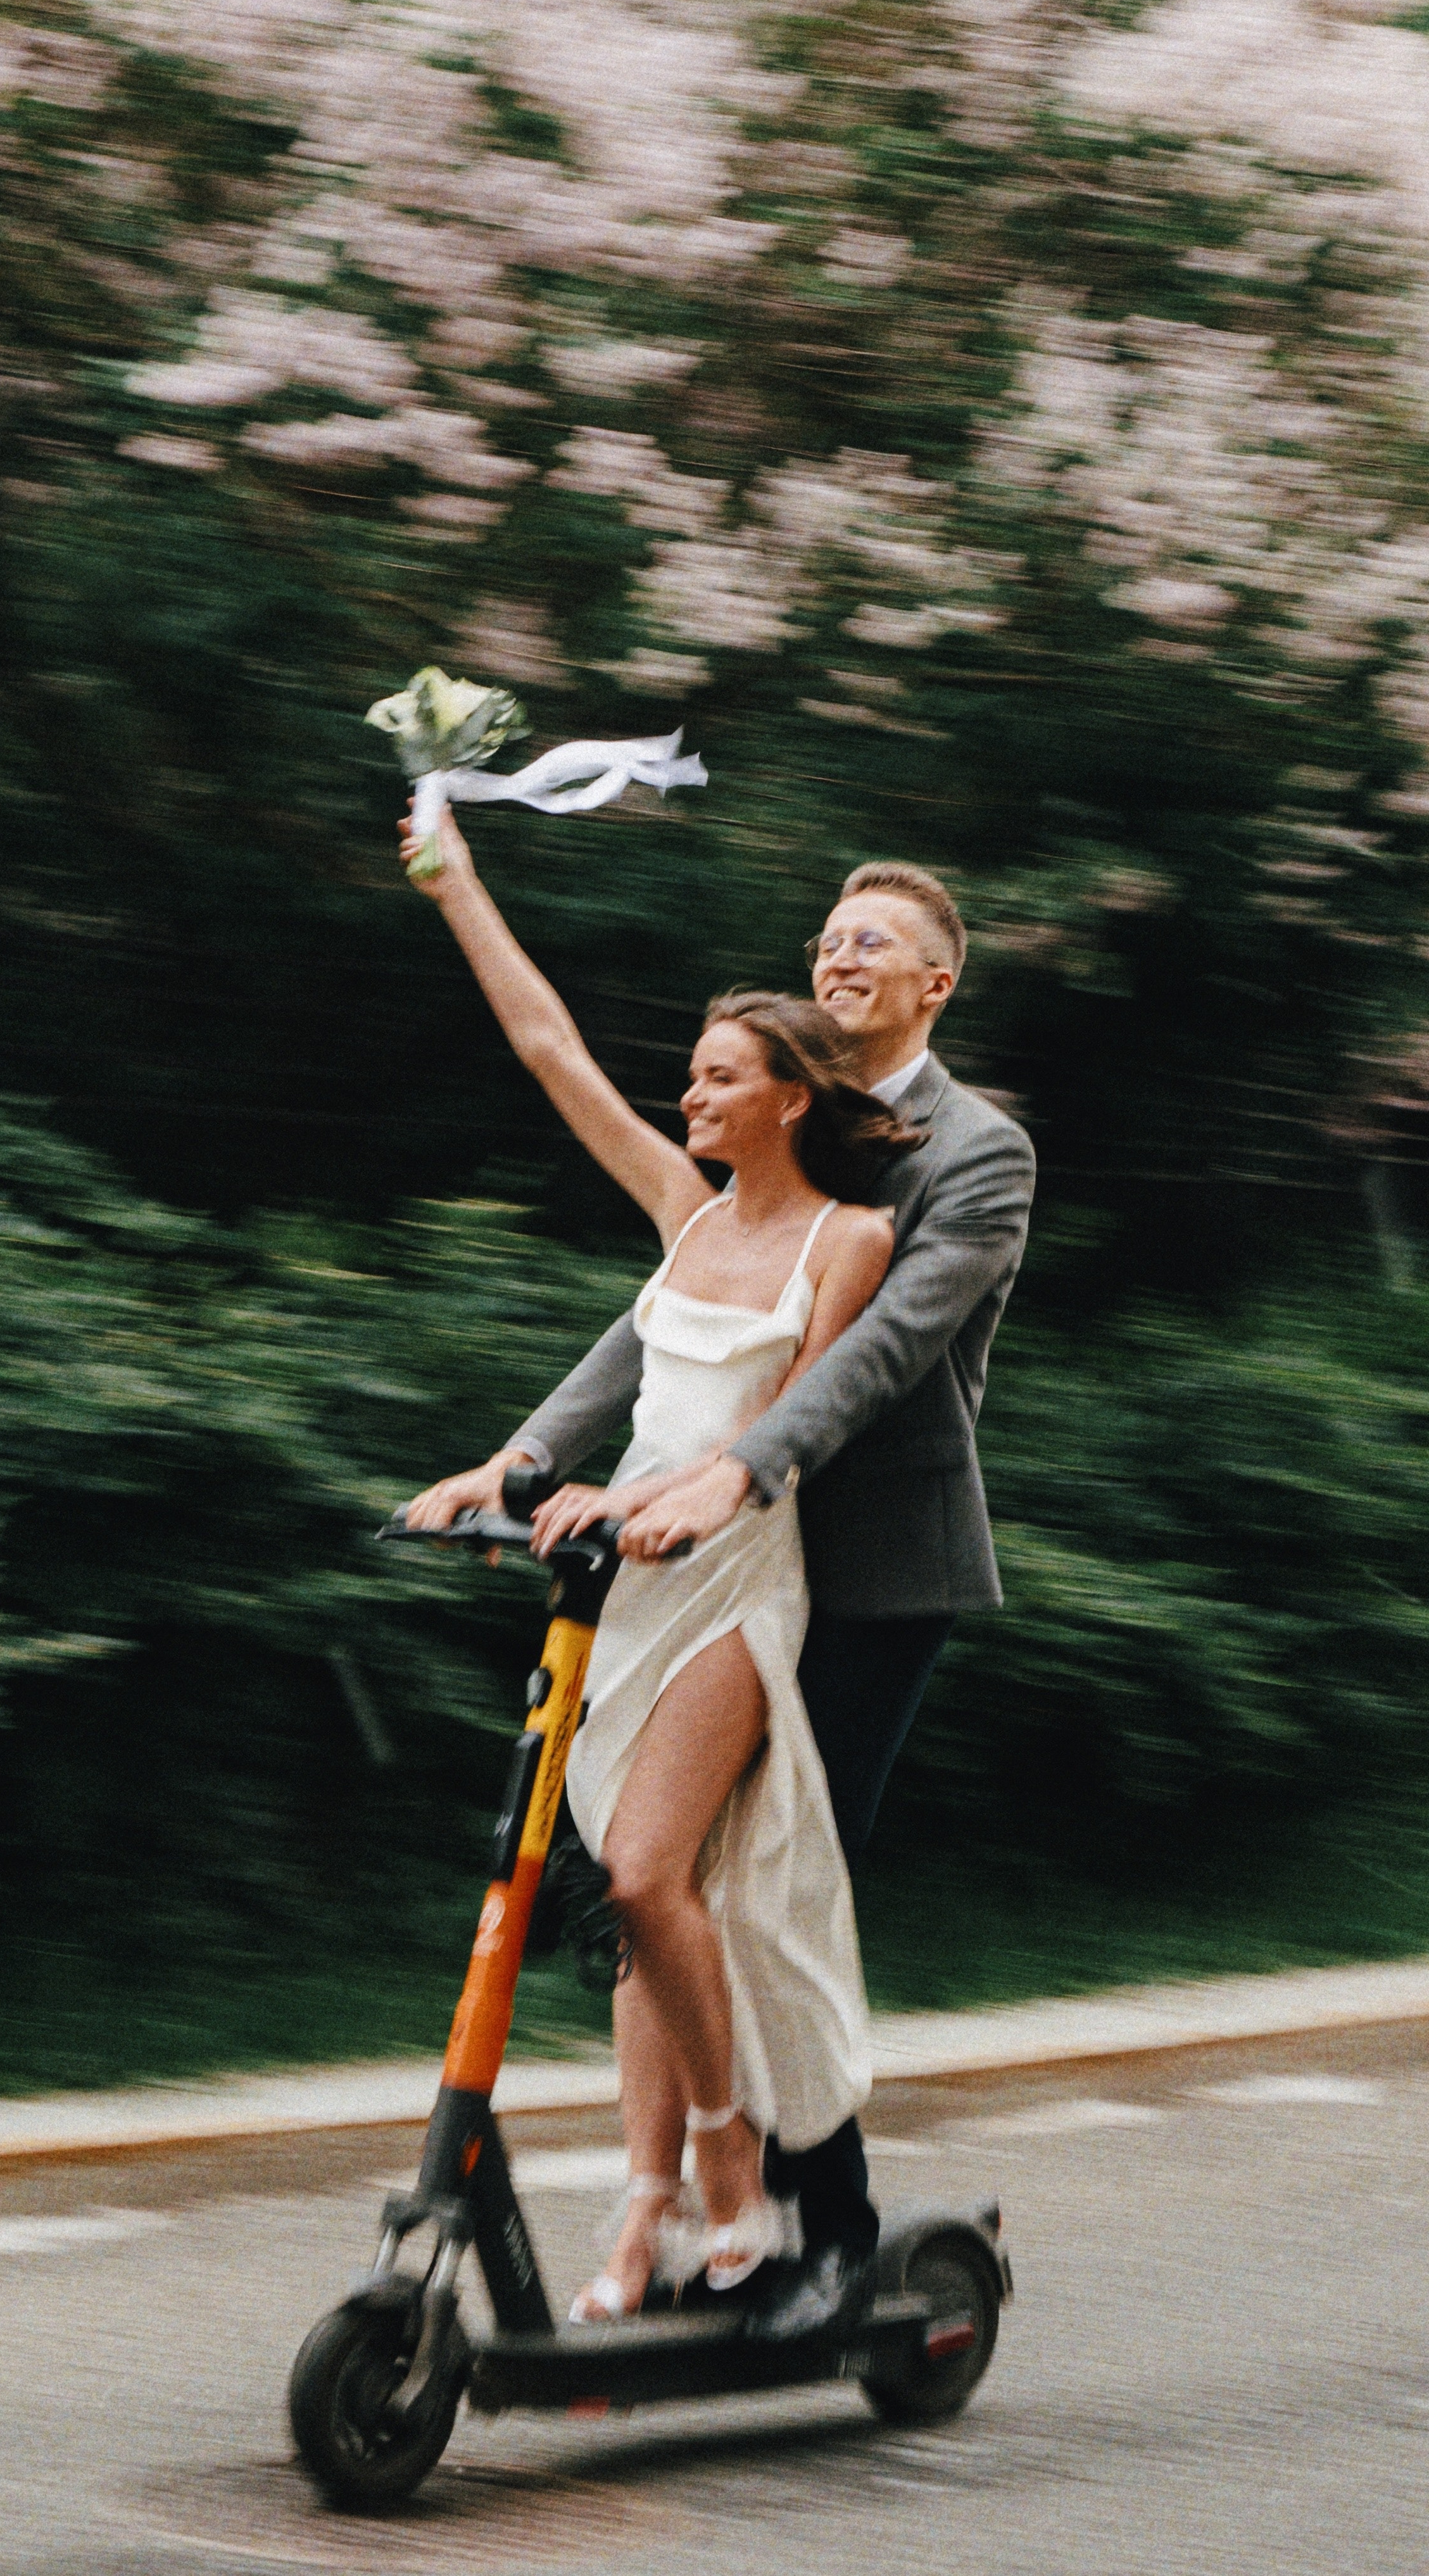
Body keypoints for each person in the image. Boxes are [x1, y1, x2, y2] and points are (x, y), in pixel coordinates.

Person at [498, 854, 1033, 2339]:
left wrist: (733, 1474)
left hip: (861, 1576)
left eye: (874, 941)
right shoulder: (783, 1129)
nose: (839, 953)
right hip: (708, 1555)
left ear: (937, 981)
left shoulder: (978, 1153)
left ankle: (825, 2232)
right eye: (826, 937)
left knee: (767, 1891)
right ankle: (672, 2200)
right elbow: (668, 1313)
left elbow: (882, 1354)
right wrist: (537, 1455)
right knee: (650, 1879)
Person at [401, 806, 915, 2321]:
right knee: (640, 1902)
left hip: (735, 1583)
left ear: (788, 1098)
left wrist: (665, 1500)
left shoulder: (847, 1241)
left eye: (718, 1074)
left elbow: (788, 1431)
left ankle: (728, 2165)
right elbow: (550, 1048)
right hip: (624, 1584)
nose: (689, 1091)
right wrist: (458, 882)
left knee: (639, 1870)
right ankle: (642, 2212)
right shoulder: (684, 1227)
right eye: (690, 1072)